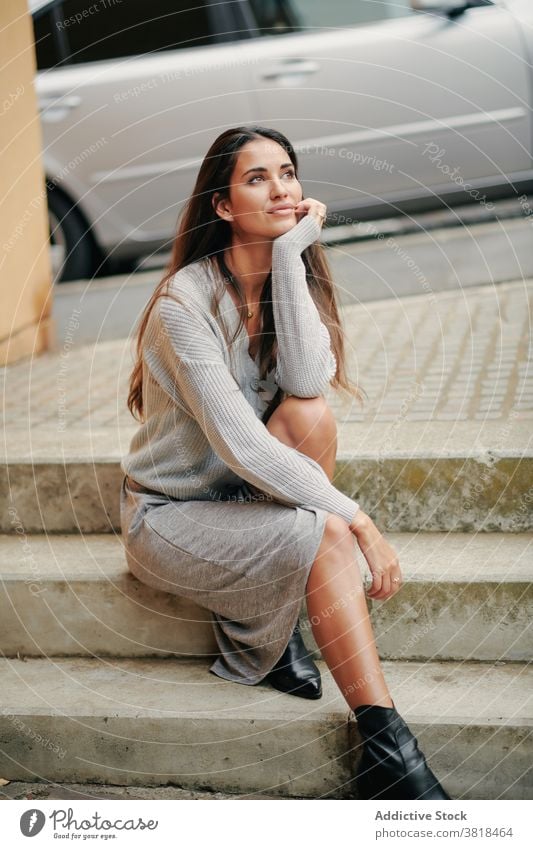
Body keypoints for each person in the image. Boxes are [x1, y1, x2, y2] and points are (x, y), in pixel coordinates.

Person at [120, 124, 450, 801]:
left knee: (309, 412)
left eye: (288, 173)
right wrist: (357, 519)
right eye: (256, 177)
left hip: (242, 499)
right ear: (221, 205)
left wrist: (293, 254)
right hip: (171, 517)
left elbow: (305, 375)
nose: (281, 189)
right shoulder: (185, 305)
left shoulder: (285, 271)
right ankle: (388, 750)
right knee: (325, 529)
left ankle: (285, 622)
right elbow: (243, 445)